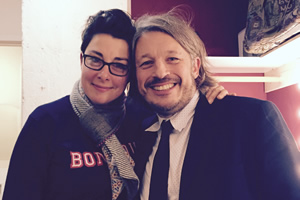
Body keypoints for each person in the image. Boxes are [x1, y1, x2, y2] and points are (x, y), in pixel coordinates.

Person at [3, 8, 227, 200]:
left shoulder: (145, 119)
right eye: (95, 60)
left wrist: (207, 94)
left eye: (118, 65)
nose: (104, 74)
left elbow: (179, 104)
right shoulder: (45, 123)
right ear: (82, 60)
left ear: (130, 72)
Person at [132, 7, 300, 200]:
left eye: (173, 59)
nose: (160, 73)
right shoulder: (137, 133)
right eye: (146, 63)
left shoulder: (250, 118)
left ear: (195, 67)